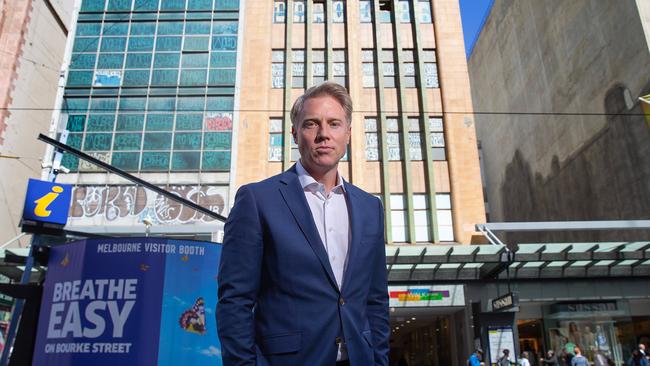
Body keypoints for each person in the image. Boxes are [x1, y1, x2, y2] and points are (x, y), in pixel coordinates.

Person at [217, 82, 390, 366]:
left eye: (334, 123)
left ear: (348, 133)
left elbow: (376, 300)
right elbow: (234, 301)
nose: (324, 134)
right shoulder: (257, 200)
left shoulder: (370, 208)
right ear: (295, 133)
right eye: (312, 124)